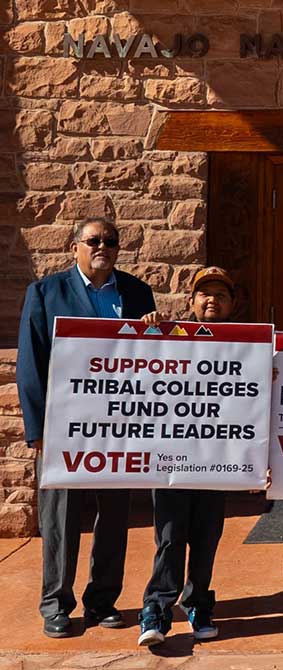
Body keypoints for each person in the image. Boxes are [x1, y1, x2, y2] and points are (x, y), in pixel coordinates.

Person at [16, 216, 157, 638]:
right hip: (63, 426)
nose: (103, 247)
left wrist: (156, 334)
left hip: (119, 426)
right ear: (74, 246)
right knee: (60, 518)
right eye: (93, 240)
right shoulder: (45, 292)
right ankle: (56, 604)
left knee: (115, 515)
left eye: (110, 241)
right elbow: (31, 364)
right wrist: (37, 429)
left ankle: (102, 600)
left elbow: (152, 361)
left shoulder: (136, 292)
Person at [134, 267, 238, 646]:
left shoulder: (244, 345)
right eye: (205, 294)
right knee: (170, 537)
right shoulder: (167, 338)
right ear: (191, 302)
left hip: (217, 462)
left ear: (232, 304)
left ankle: (198, 603)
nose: (212, 300)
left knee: (207, 536)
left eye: (221, 295)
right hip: (173, 461)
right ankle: (157, 608)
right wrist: (150, 328)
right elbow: (135, 369)